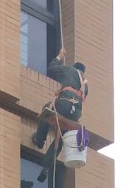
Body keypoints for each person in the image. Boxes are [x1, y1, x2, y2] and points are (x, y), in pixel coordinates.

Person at [31, 49, 88, 181]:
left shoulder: (70, 70)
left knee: (47, 110)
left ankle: (39, 141)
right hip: (76, 113)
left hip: (64, 104)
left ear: (75, 68)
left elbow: (51, 69)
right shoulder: (86, 84)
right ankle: (47, 166)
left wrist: (59, 56)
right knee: (61, 136)